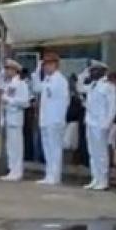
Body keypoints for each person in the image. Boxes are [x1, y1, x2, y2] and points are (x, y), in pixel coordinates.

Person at [35, 52, 70, 186]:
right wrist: (37, 71)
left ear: (56, 65)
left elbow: (60, 100)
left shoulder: (59, 80)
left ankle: (55, 176)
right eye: (45, 65)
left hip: (55, 119)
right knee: (47, 148)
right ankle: (49, 174)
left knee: (54, 148)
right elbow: (36, 87)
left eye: (49, 64)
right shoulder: (48, 79)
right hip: (46, 119)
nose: (46, 67)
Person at [82, 61, 115, 190]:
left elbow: (112, 107)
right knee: (92, 152)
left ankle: (103, 180)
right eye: (91, 71)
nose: (92, 73)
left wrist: (107, 123)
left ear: (103, 71)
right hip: (90, 122)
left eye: (95, 70)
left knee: (101, 153)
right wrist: (84, 75)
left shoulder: (108, 86)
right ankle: (95, 178)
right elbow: (79, 87)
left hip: (101, 123)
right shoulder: (92, 85)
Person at [0, 59, 31, 182]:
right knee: (10, 147)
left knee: (16, 146)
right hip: (9, 118)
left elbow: (25, 102)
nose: (6, 71)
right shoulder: (9, 84)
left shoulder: (20, 84)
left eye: (9, 69)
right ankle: (12, 169)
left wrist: (9, 100)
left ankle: (17, 171)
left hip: (16, 118)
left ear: (15, 70)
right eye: (6, 69)